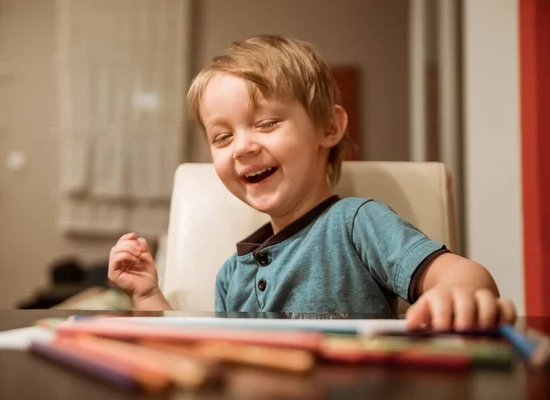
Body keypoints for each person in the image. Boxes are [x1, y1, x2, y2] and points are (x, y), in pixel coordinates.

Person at [108, 35, 516, 331]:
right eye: (222, 137)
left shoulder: (358, 223)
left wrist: (458, 293)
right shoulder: (232, 274)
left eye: (266, 123)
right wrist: (147, 297)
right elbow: (195, 348)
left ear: (329, 127)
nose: (242, 148)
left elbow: (463, 275)